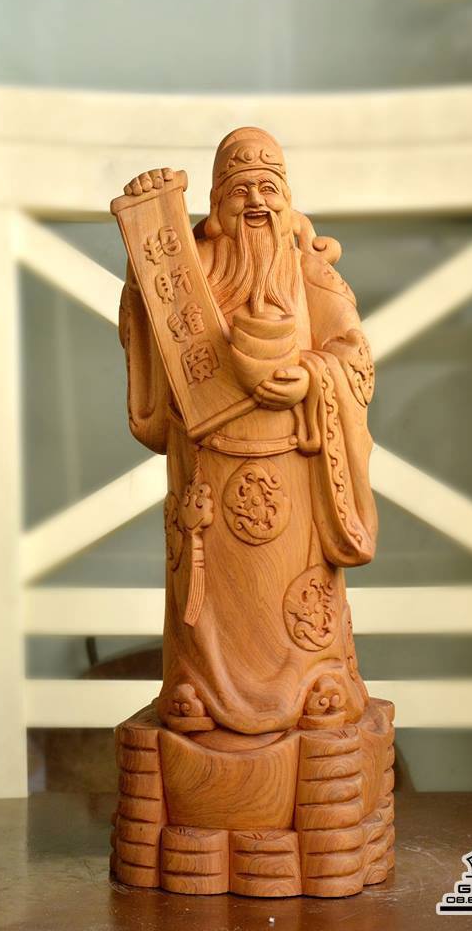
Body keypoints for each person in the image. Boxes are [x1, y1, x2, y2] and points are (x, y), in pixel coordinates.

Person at [118, 127, 378, 736]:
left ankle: (316, 679)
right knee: (212, 607)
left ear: (287, 199)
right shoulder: (195, 276)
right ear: (216, 206)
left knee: (295, 611)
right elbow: (152, 338)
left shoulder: (309, 272)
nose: (256, 201)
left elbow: (355, 355)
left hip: (295, 486)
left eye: (269, 187)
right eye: (240, 190)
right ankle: (198, 685)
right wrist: (146, 252)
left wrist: (313, 377)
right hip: (208, 484)